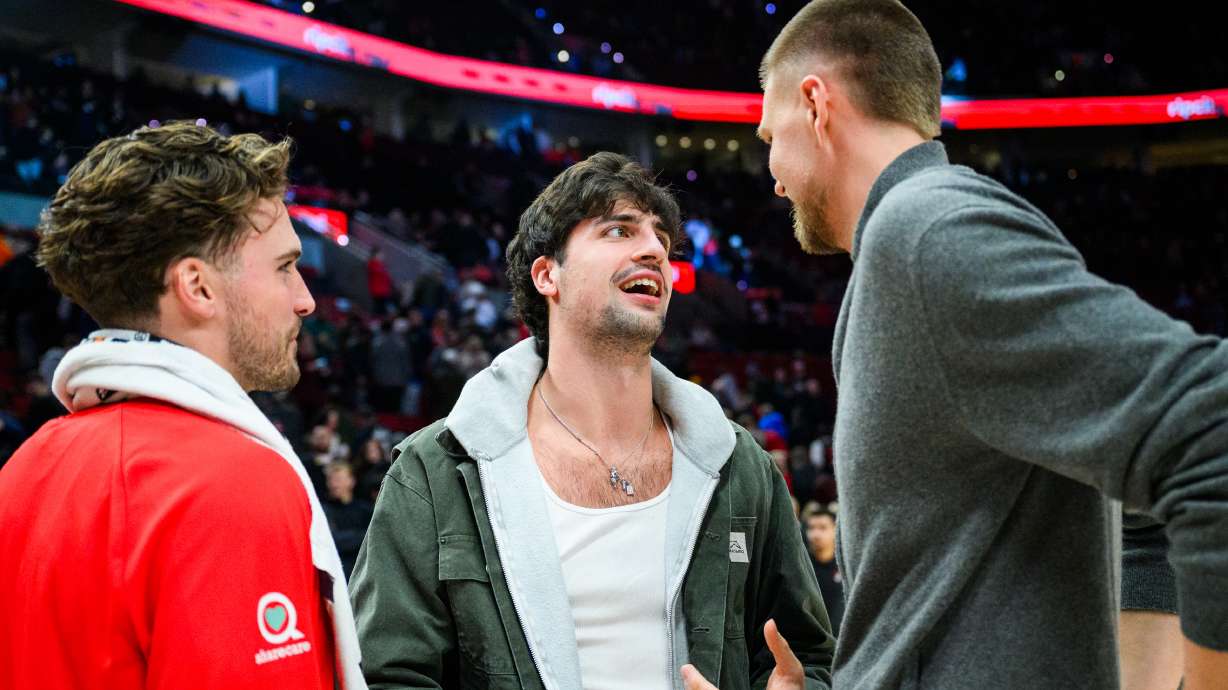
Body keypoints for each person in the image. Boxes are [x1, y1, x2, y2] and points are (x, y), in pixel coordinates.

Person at [755, 1, 1228, 688]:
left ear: (815, 102)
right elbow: (1143, 514)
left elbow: (1210, 431)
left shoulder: (925, 236)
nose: (770, 171)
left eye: (770, 134)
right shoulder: (912, 248)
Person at [349, 152, 835, 689]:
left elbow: (810, 659)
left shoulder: (741, 468)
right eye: (618, 231)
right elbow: (386, 677)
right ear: (547, 275)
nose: (653, 250)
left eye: (661, 241)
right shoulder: (433, 475)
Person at [0, 121, 365, 689]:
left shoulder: (24, 467)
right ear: (198, 287)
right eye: (284, 267)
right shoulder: (232, 483)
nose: (306, 300)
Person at [802, 504, 844, 634]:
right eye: (811, 528)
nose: (815, 534)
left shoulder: (844, 566)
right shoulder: (802, 565)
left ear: (835, 530)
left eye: (823, 528)